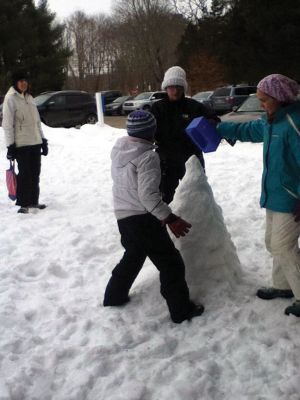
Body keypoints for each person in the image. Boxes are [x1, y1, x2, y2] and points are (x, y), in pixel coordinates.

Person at [103, 110, 204, 323]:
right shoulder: (148, 156)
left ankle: (114, 295)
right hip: (142, 218)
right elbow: (148, 196)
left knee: (133, 255)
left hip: (123, 215)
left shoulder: (120, 149)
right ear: (152, 131)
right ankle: (181, 310)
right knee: (171, 263)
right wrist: (170, 218)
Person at [216, 74, 300, 317]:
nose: (261, 104)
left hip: (292, 199)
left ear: (279, 98)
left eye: (264, 100)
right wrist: (218, 126)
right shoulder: (271, 120)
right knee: (272, 244)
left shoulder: (294, 123)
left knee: (283, 247)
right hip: (274, 195)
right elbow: (248, 129)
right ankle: (283, 285)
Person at [151, 66, 220, 204]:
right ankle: (169, 223)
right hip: (166, 161)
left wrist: (209, 124)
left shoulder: (194, 107)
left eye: (179, 87)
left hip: (191, 159)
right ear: (166, 88)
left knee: (197, 196)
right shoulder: (157, 108)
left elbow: (215, 120)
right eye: (171, 87)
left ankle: (198, 223)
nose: (175, 91)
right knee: (166, 198)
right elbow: (144, 131)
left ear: (184, 87)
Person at [2, 69, 48, 214]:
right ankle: (23, 203)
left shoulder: (29, 98)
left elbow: (37, 121)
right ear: (15, 83)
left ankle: (33, 201)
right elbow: (7, 125)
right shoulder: (10, 99)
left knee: (35, 173)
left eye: (25, 81)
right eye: (21, 81)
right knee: (24, 174)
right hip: (22, 144)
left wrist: (43, 140)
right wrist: (10, 146)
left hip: (35, 141)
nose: (24, 83)